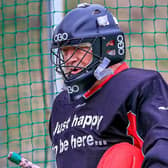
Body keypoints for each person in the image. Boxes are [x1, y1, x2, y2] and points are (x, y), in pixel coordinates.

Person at [49, 3, 168, 168]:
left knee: (124, 155)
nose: (70, 59)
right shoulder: (61, 104)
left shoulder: (138, 85)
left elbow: (163, 144)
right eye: (64, 51)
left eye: (77, 49)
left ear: (107, 46)